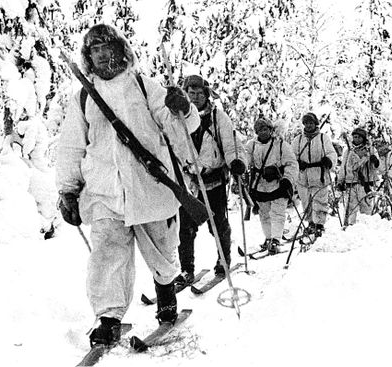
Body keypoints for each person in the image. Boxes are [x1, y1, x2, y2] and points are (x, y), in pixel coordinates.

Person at [56, 24, 199, 346]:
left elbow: (181, 126)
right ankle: (108, 317)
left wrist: (184, 108)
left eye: (109, 46)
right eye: (96, 49)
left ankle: (165, 292)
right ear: (88, 56)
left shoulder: (145, 87)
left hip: (150, 186)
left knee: (162, 249)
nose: (104, 54)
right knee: (107, 257)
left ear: (122, 49)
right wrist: (67, 189)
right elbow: (71, 146)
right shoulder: (82, 97)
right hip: (104, 190)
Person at [177, 75, 247, 284]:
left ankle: (223, 259)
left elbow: (231, 144)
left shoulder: (218, 117)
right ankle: (186, 268)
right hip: (189, 182)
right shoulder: (176, 117)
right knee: (186, 227)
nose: (196, 97)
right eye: (191, 93)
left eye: (200, 93)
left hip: (213, 179)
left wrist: (236, 161)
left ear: (206, 94)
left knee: (217, 223)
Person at [246, 117, 298, 253]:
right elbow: (246, 161)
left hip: (278, 183)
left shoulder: (280, 145)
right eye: (259, 130)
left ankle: (276, 239)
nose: (262, 132)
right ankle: (268, 238)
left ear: (270, 129)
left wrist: (288, 179)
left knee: (277, 213)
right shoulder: (251, 146)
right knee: (264, 214)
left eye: (265, 129)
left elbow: (292, 164)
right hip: (260, 185)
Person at [292, 112, 337, 237]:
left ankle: (319, 224)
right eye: (306, 123)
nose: (309, 125)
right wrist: (297, 163)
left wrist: (328, 160)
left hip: (319, 174)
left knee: (320, 200)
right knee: (306, 201)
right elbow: (291, 156)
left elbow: (331, 153)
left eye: (311, 123)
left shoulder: (323, 138)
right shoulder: (298, 140)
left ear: (315, 123)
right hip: (303, 175)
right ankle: (310, 223)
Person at [337, 127, 380, 225]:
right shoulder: (348, 151)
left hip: (366, 184)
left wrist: (375, 161)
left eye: (359, 137)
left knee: (367, 208)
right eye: (355, 137)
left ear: (364, 138)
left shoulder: (371, 150)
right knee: (351, 208)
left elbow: (378, 167)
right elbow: (343, 167)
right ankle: (349, 227)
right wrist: (340, 181)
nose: (356, 139)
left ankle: (367, 226)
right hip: (351, 183)